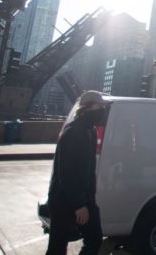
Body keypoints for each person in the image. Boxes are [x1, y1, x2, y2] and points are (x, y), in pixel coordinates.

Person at [46, 91, 105, 255]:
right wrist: (79, 205)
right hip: (64, 200)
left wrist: (88, 200)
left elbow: (87, 169)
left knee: (94, 239)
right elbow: (67, 172)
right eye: (99, 106)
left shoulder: (90, 131)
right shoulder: (73, 132)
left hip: (84, 198)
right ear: (87, 107)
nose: (102, 110)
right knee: (58, 246)